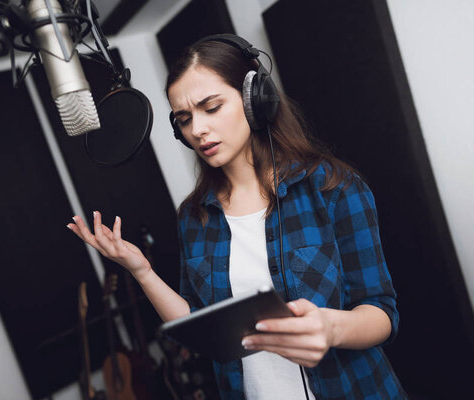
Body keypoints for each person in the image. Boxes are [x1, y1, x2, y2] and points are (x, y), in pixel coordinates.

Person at [67, 34, 406, 400]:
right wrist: (141, 271)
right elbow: (201, 330)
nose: (197, 130)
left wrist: (332, 328)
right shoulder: (194, 217)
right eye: (184, 119)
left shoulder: (333, 188)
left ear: (255, 98)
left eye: (211, 107)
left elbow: (382, 313)